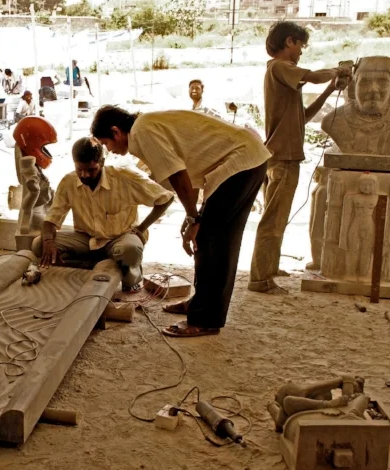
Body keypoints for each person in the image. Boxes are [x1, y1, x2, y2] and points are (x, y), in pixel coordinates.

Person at [91, 106, 270, 337]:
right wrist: (192, 215)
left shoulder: (142, 132)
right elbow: (188, 173)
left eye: (107, 144)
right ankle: (201, 303)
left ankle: (205, 319)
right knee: (209, 237)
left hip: (241, 162)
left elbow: (178, 176)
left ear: (116, 132)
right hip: (245, 159)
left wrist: (194, 218)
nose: (110, 150)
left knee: (215, 242)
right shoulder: (145, 125)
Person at [248, 21, 351, 294]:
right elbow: (315, 76)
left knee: (277, 219)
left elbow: (304, 116)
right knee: (273, 221)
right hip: (282, 159)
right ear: (289, 42)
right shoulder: (279, 67)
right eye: (301, 46)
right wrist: (337, 71)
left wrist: (331, 88)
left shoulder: (284, 77)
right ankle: (260, 279)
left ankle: (267, 269)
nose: (301, 52)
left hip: (281, 158)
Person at [33, 137, 174, 293]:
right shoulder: (69, 181)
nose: (84, 175)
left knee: (130, 249)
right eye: (80, 169)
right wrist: (48, 241)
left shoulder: (125, 177)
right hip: (87, 239)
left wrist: (142, 228)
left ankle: (130, 281)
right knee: (39, 244)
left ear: (102, 162)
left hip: (120, 238)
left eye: (91, 170)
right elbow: (51, 220)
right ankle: (97, 265)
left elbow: (165, 198)